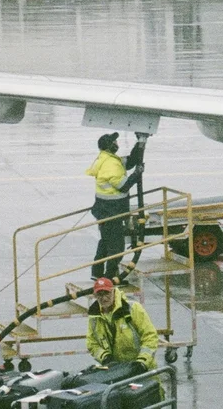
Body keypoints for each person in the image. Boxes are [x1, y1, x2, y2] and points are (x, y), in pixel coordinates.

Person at [85, 132, 143, 280]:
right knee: (116, 248)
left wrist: (140, 143)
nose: (117, 143)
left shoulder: (106, 159)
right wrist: (137, 174)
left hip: (103, 211)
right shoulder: (111, 165)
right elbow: (123, 186)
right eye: (115, 142)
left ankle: (97, 274)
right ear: (110, 146)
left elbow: (130, 161)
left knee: (105, 243)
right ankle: (110, 277)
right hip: (113, 212)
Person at [86, 278, 159, 371]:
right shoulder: (94, 317)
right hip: (116, 371)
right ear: (95, 295)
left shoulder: (133, 309)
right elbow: (92, 343)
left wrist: (142, 362)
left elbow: (150, 336)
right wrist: (105, 357)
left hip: (142, 369)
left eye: (107, 293)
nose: (104, 298)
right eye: (100, 294)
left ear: (114, 291)